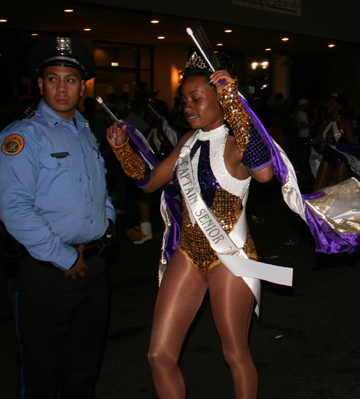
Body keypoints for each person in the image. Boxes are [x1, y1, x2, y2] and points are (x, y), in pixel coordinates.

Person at [106, 53, 274, 399]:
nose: (187, 106)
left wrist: (236, 105)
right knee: (159, 355)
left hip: (231, 256)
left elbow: (264, 172)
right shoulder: (187, 142)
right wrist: (123, 151)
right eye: (183, 101)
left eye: (196, 98)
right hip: (190, 250)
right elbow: (150, 182)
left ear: (219, 98)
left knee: (234, 353)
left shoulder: (234, 144)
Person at [0, 36, 115, 398]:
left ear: (82, 87)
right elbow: (13, 209)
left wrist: (106, 225)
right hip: (44, 274)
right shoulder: (23, 137)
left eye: (71, 80)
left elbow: (99, 188)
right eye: (53, 79)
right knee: (40, 376)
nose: (62, 88)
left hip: (93, 267)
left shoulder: (86, 132)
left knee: (83, 371)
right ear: (40, 83)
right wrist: (64, 256)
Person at [311, 93, 356, 192]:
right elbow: (321, 141)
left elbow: (352, 144)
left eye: (332, 104)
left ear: (338, 107)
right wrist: (318, 143)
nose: (328, 106)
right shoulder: (325, 123)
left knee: (339, 191)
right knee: (318, 190)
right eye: (328, 104)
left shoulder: (345, 123)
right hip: (328, 156)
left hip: (342, 158)